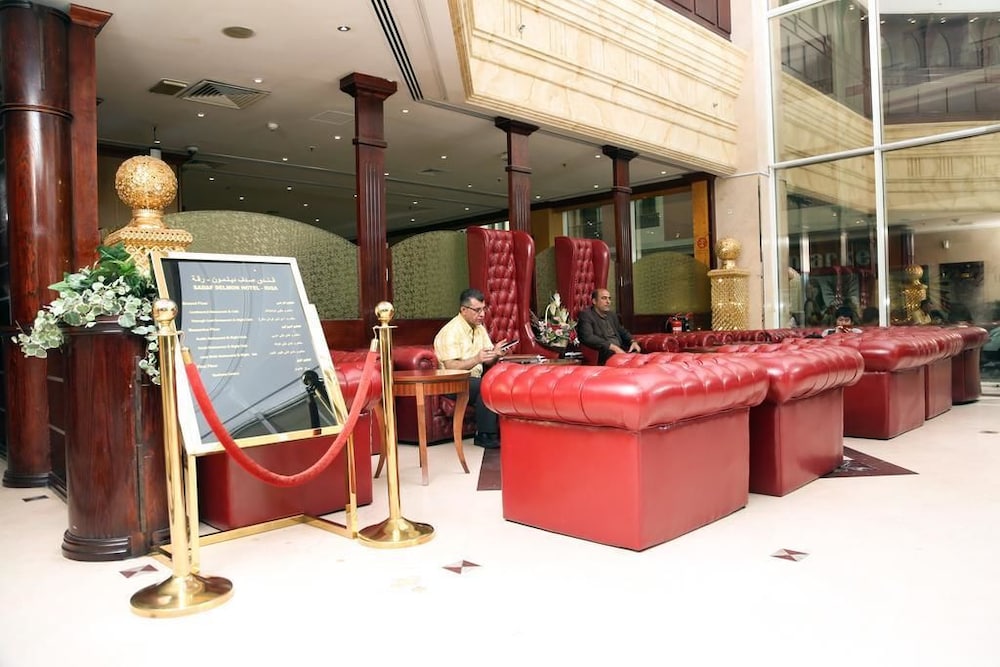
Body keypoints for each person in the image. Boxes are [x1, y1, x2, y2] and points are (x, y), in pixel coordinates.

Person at [433, 288, 508, 449]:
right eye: (477, 310)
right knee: (484, 386)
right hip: (451, 381)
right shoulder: (451, 331)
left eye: (483, 309)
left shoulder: (479, 328)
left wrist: (496, 353)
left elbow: (487, 359)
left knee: (492, 383)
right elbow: (450, 366)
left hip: (472, 380)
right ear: (464, 310)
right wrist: (476, 359)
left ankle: (491, 433)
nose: (482, 314)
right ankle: (484, 435)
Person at [576, 288, 640, 365]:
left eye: (609, 299)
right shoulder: (586, 315)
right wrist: (612, 347)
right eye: (604, 298)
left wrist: (632, 341)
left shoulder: (612, 315)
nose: (608, 302)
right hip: (606, 353)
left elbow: (622, 331)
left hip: (621, 351)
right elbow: (588, 337)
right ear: (594, 301)